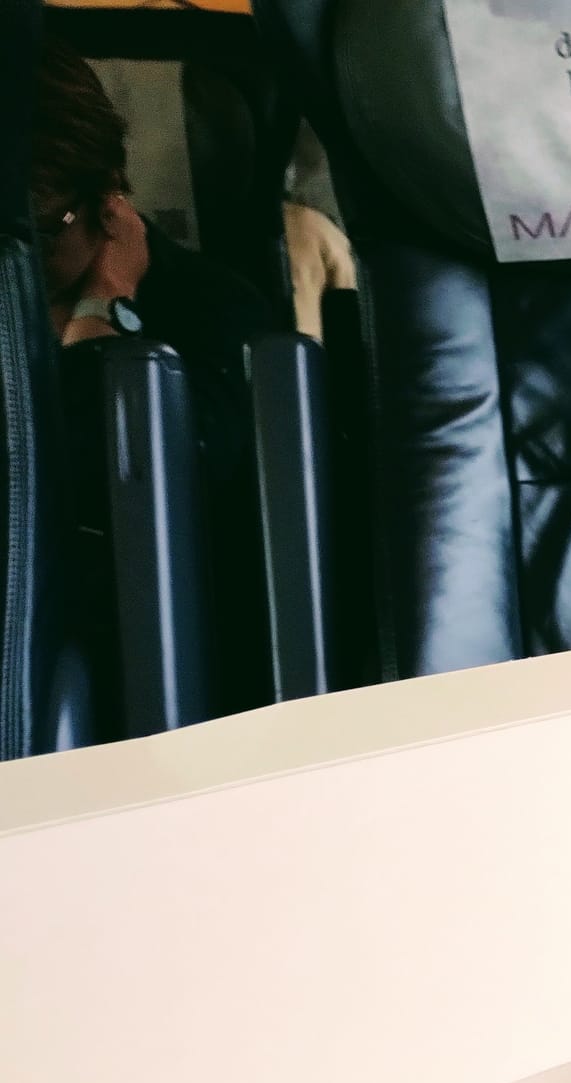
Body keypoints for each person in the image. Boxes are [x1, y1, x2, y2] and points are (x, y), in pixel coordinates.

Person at [31, 38, 279, 717]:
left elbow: (124, 494)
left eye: (43, 229)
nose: (18, 256)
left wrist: (102, 316)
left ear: (108, 195)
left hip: (145, 669)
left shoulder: (214, 310)